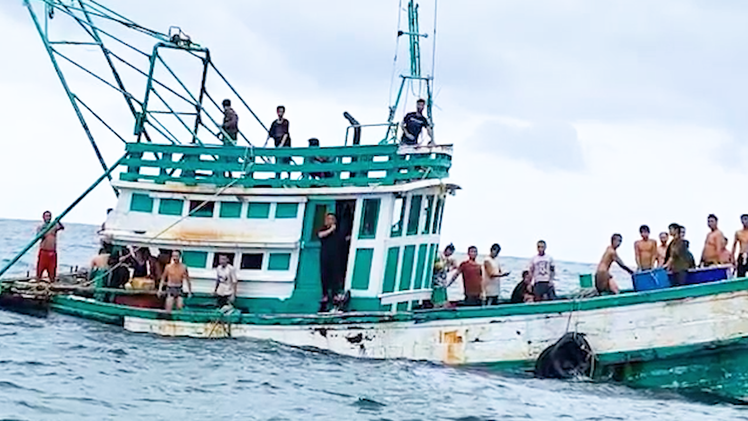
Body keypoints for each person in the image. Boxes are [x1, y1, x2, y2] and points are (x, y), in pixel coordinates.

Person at [318, 213, 346, 312]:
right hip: (326, 255)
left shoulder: (338, 232)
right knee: (325, 275)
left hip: (336, 256)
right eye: (329, 219)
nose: (330, 221)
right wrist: (330, 230)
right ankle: (325, 295)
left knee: (335, 275)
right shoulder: (323, 229)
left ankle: (335, 295)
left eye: (332, 219)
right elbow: (320, 235)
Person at [36, 211, 64, 281]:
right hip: (43, 251)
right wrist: (44, 229)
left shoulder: (54, 226)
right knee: (40, 269)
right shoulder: (40, 227)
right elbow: (38, 237)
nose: (48, 217)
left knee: (52, 270)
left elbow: (62, 227)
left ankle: (52, 281)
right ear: (43, 217)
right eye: (46, 216)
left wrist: (58, 221)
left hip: (52, 252)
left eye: (49, 216)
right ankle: (38, 281)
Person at [267, 105, 291, 177]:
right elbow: (270, 133)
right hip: (277, 144)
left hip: (285, 145)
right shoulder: (274, 123)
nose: (280, 113)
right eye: (279, 112)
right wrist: (265, 144)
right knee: (278, 161)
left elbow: (285, 134)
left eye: (282, 112)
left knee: (286, 161)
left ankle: (288, 177)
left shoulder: (285, 122)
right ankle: (277, 177)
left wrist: (281, 144)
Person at [431, 244, 457, 308]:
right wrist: (448, 264)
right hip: (437, 280)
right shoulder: (439, 257)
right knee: (437, 297)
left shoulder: (446, 259)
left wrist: (451, 267)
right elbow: (438, 267)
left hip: (442, 281)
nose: (451, 254)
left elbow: (445, 270)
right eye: (450, 251)